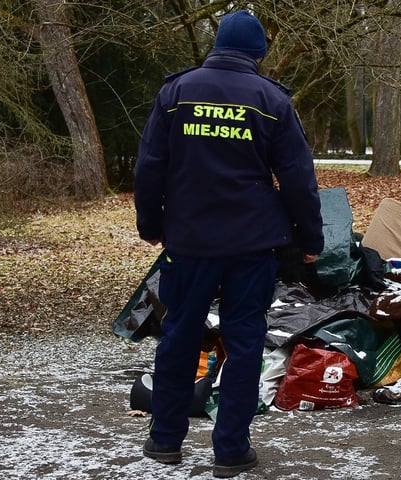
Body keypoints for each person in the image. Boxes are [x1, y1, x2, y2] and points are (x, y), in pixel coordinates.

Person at [133, 10, 324, 478]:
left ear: (215, 45)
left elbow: (150, 164)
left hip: (189, 241)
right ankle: (231, 449)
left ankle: (165, 440)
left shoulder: (176, 93)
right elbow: (299, 179)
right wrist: (310, 239)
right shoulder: (270, 99)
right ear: (258, 54)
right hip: (250, 246)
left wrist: (150, 224)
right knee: (244, 343)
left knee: (178, 335)